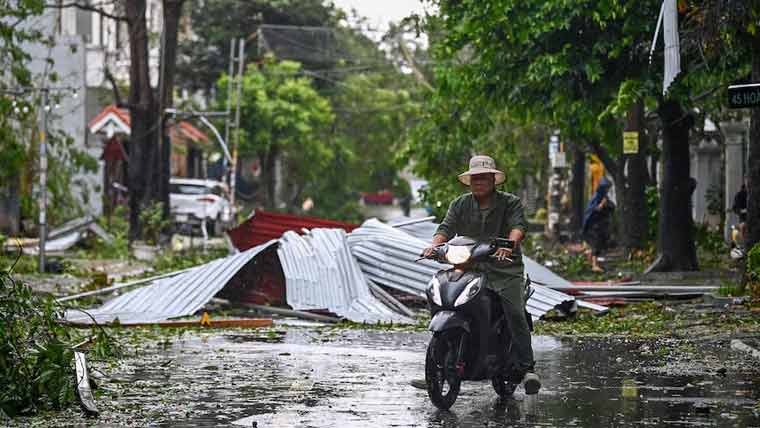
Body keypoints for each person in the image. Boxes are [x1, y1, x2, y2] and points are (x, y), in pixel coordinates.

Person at [412, 155, 540, 395]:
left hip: (504, 269)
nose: (479, 181)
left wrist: (510, 245)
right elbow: (445, 229)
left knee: (514, 311)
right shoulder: (460, 204)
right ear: (469, 181)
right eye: (475, 178)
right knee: (443, 300)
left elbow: (518, 227)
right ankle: (435, 368)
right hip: (469, 266)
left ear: (493, 180)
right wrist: (434, 245)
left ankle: (527, 368)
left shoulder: (510, 203)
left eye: (484, 177)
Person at [581, 177, 615, 272]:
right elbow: (592, 210)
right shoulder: (597, 197)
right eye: (606, 188)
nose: (607, 190)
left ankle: (591, 263)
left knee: (597, 245)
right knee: (595, 245)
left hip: (600, 226)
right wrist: (600, 206)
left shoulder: (604, 197)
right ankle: (594, 265)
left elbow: (611, 207)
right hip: (593, 226)